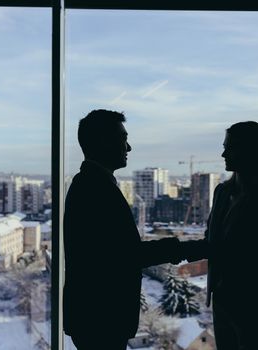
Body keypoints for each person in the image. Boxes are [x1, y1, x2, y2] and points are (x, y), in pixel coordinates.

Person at [63, 109, 182, 349]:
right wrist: (188, 248)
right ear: (103, 141)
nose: (128, 148)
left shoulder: (91, 183)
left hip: (93, 317)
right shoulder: (97, 189)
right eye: (123, 139)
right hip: (101, 319)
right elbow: (128, 255)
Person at [182, 121, 258, 350]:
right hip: (223, 304)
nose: (223, 153)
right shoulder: (223, 192)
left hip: (254, 310)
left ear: (249, 151)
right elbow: (212, 243)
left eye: (230, 147)